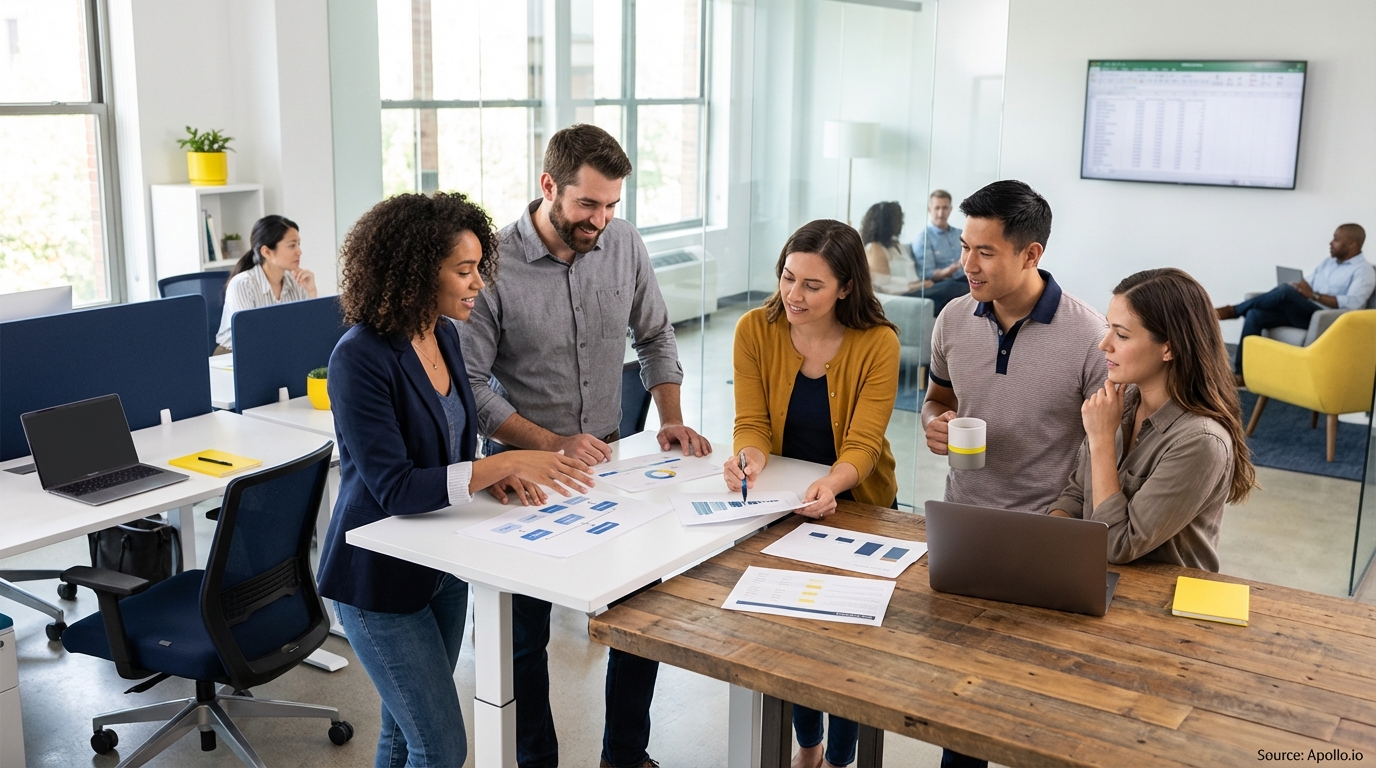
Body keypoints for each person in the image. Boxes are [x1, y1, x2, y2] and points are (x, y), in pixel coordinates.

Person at [460, 123, 710, 768]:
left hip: (610, 463)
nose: (600, 220)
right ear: (549, 186)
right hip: (525, 474)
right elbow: (471, 385)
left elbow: (655, 335)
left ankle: (625, 755)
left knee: (640, 617)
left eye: (611, 205)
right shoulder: (493, 265)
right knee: (522, 639)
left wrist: (671, 418)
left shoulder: (623, 243)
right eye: (587, 204)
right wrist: (550, 444)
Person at [317, 192, 593, 768]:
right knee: (440, 747)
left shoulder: (444, 334)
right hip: (377, 579)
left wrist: (486, 478)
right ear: (418, 273)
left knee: (404, 735)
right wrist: (503, 463)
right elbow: (395, 487)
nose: (477, 284)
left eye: (478, 268)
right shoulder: (359, 358)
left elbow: (450, 449)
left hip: (440, 564)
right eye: (464, 271)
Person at [920, 180, 1107, 768]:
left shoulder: (1089, 335)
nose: (967, 264)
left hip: (1048, 532)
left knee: (1041, 708)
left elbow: (1108, 444)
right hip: (966, 526)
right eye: (965, 247)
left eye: (985, 252)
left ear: (1031, 254)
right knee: (962, 704)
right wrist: (933, 422)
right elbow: (937, 396)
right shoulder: (953, 318)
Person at [724, 219, 899, 768]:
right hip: (787, 506)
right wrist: (749, 456)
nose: (793, 295)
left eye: (812, 285)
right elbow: (751, 421)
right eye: (787, 277)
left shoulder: (878, 342)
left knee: (849, 642)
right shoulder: (755, 330)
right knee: (790, 636)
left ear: (845, 288)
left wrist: (832, 484)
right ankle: (808, 747)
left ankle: (842, 758)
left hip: (860, 506)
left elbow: (864, 444)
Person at [1050, 268, 1256, 571]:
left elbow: (1118, 545)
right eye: (1108, 328)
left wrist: (1102, 440)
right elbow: (1077, 496)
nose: (1104, 344)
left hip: (1158, 595)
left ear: (1169, 348)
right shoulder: (1118, 404)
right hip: (1090, 575)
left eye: (1121, 335)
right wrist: (1045, 542)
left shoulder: (1201, 442)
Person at [1215, 223, 1371, 382]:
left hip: (1326, 320)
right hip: (1303, 311)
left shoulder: (1364, 271)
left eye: (1336, 239)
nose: (1331, 243)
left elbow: (1353, 304)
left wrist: (1314, 296)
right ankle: (1242, 374)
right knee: (1255, 314)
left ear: (1352, 244)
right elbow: (1308, 283)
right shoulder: (1328, 263)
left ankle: (1232, 311)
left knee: (1285, 291)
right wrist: (1300, 287)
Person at [214, 214, 318, 353]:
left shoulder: (295, 281)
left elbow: (308, 330)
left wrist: (311, 292)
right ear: (267, 252)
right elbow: (250, 337)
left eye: (298, 244)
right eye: (292, 245)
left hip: (278, 351)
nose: (299, 251)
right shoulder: (242, 284)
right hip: (234, 355)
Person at [910, 190, 970, 315]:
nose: (941, 213)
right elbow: (926, 274)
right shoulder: (923, 238)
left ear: (950, 209)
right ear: (929, 209)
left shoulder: (960, 233)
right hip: (942, 285)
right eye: (937, 208)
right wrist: (950, 270)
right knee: (953, 287)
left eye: (945, 208)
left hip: (965, 278)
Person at [861, 201, 921, 296]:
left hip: (917, 290)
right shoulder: (875, 248)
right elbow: (882, 285)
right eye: (898, 219)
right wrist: (917, 286)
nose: (902, 223)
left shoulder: (897, 244)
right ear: (886, 223)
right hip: (904, 295)